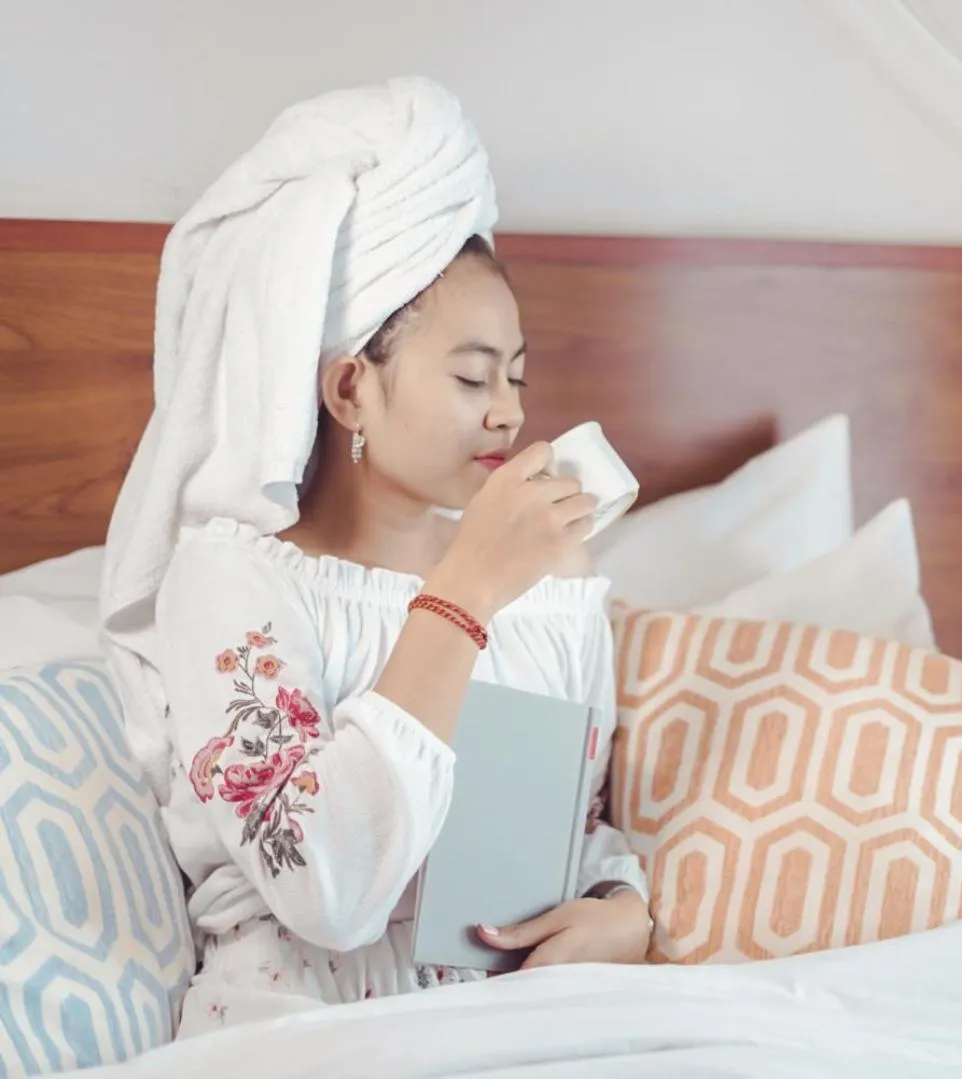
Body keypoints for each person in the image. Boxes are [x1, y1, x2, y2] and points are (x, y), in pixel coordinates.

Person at [97, 78, 650, 1037]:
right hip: (299, 1033)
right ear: (351, 387)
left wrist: (620, 914)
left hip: (528, 1031)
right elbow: (324, 885)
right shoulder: (231, 582)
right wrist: (466, 590)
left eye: (517, 376)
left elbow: (572, 831)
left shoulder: (552, 587)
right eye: (473, 375)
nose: (511, 413)